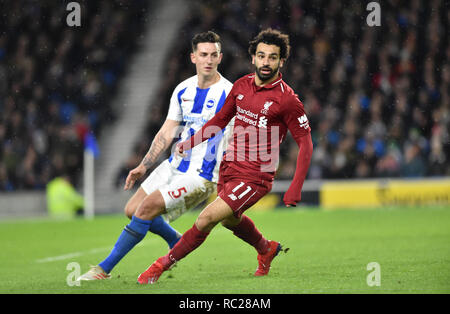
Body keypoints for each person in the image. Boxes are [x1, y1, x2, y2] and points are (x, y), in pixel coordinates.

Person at [137, 28, 313, 284]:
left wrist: (295, 187)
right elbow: (220, 120)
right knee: (230, 221)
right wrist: (191, 142)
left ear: (281, 61)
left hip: (256, 176)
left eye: (272, 57)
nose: (266, 62)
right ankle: (266, 249)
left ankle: (158, 267)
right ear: (253, 57)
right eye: (261, 56)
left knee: (206, 218)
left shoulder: (287, 100)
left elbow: (305, 143)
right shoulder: (241, 85)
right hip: (229, 168)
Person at [78, 31, 234, 280]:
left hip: (201, 175)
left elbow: (241, 135)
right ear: (193, 57)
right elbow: (167, 130)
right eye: (203, 54)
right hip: (175, 164)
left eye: (214, 55)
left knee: (147, 208)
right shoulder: (183, 89)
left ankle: (102, 269)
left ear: (220, 57)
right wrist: (144, 165)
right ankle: (176, 240)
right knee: (132, 209)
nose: (209, 60)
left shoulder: (230, 93)